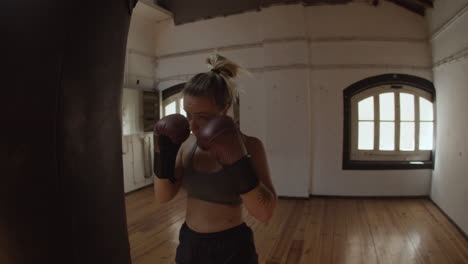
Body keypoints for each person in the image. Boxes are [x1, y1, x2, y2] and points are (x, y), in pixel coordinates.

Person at [153, 54, 277, 264]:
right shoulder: (186, 146)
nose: (192, 126)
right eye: (188, 115)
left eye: (203, 117)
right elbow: (163, 196)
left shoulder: (250, 146)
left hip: (233, 246)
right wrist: (162, 154)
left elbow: (264, 213)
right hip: (191, 243)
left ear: (226, 106)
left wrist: (238, 161)